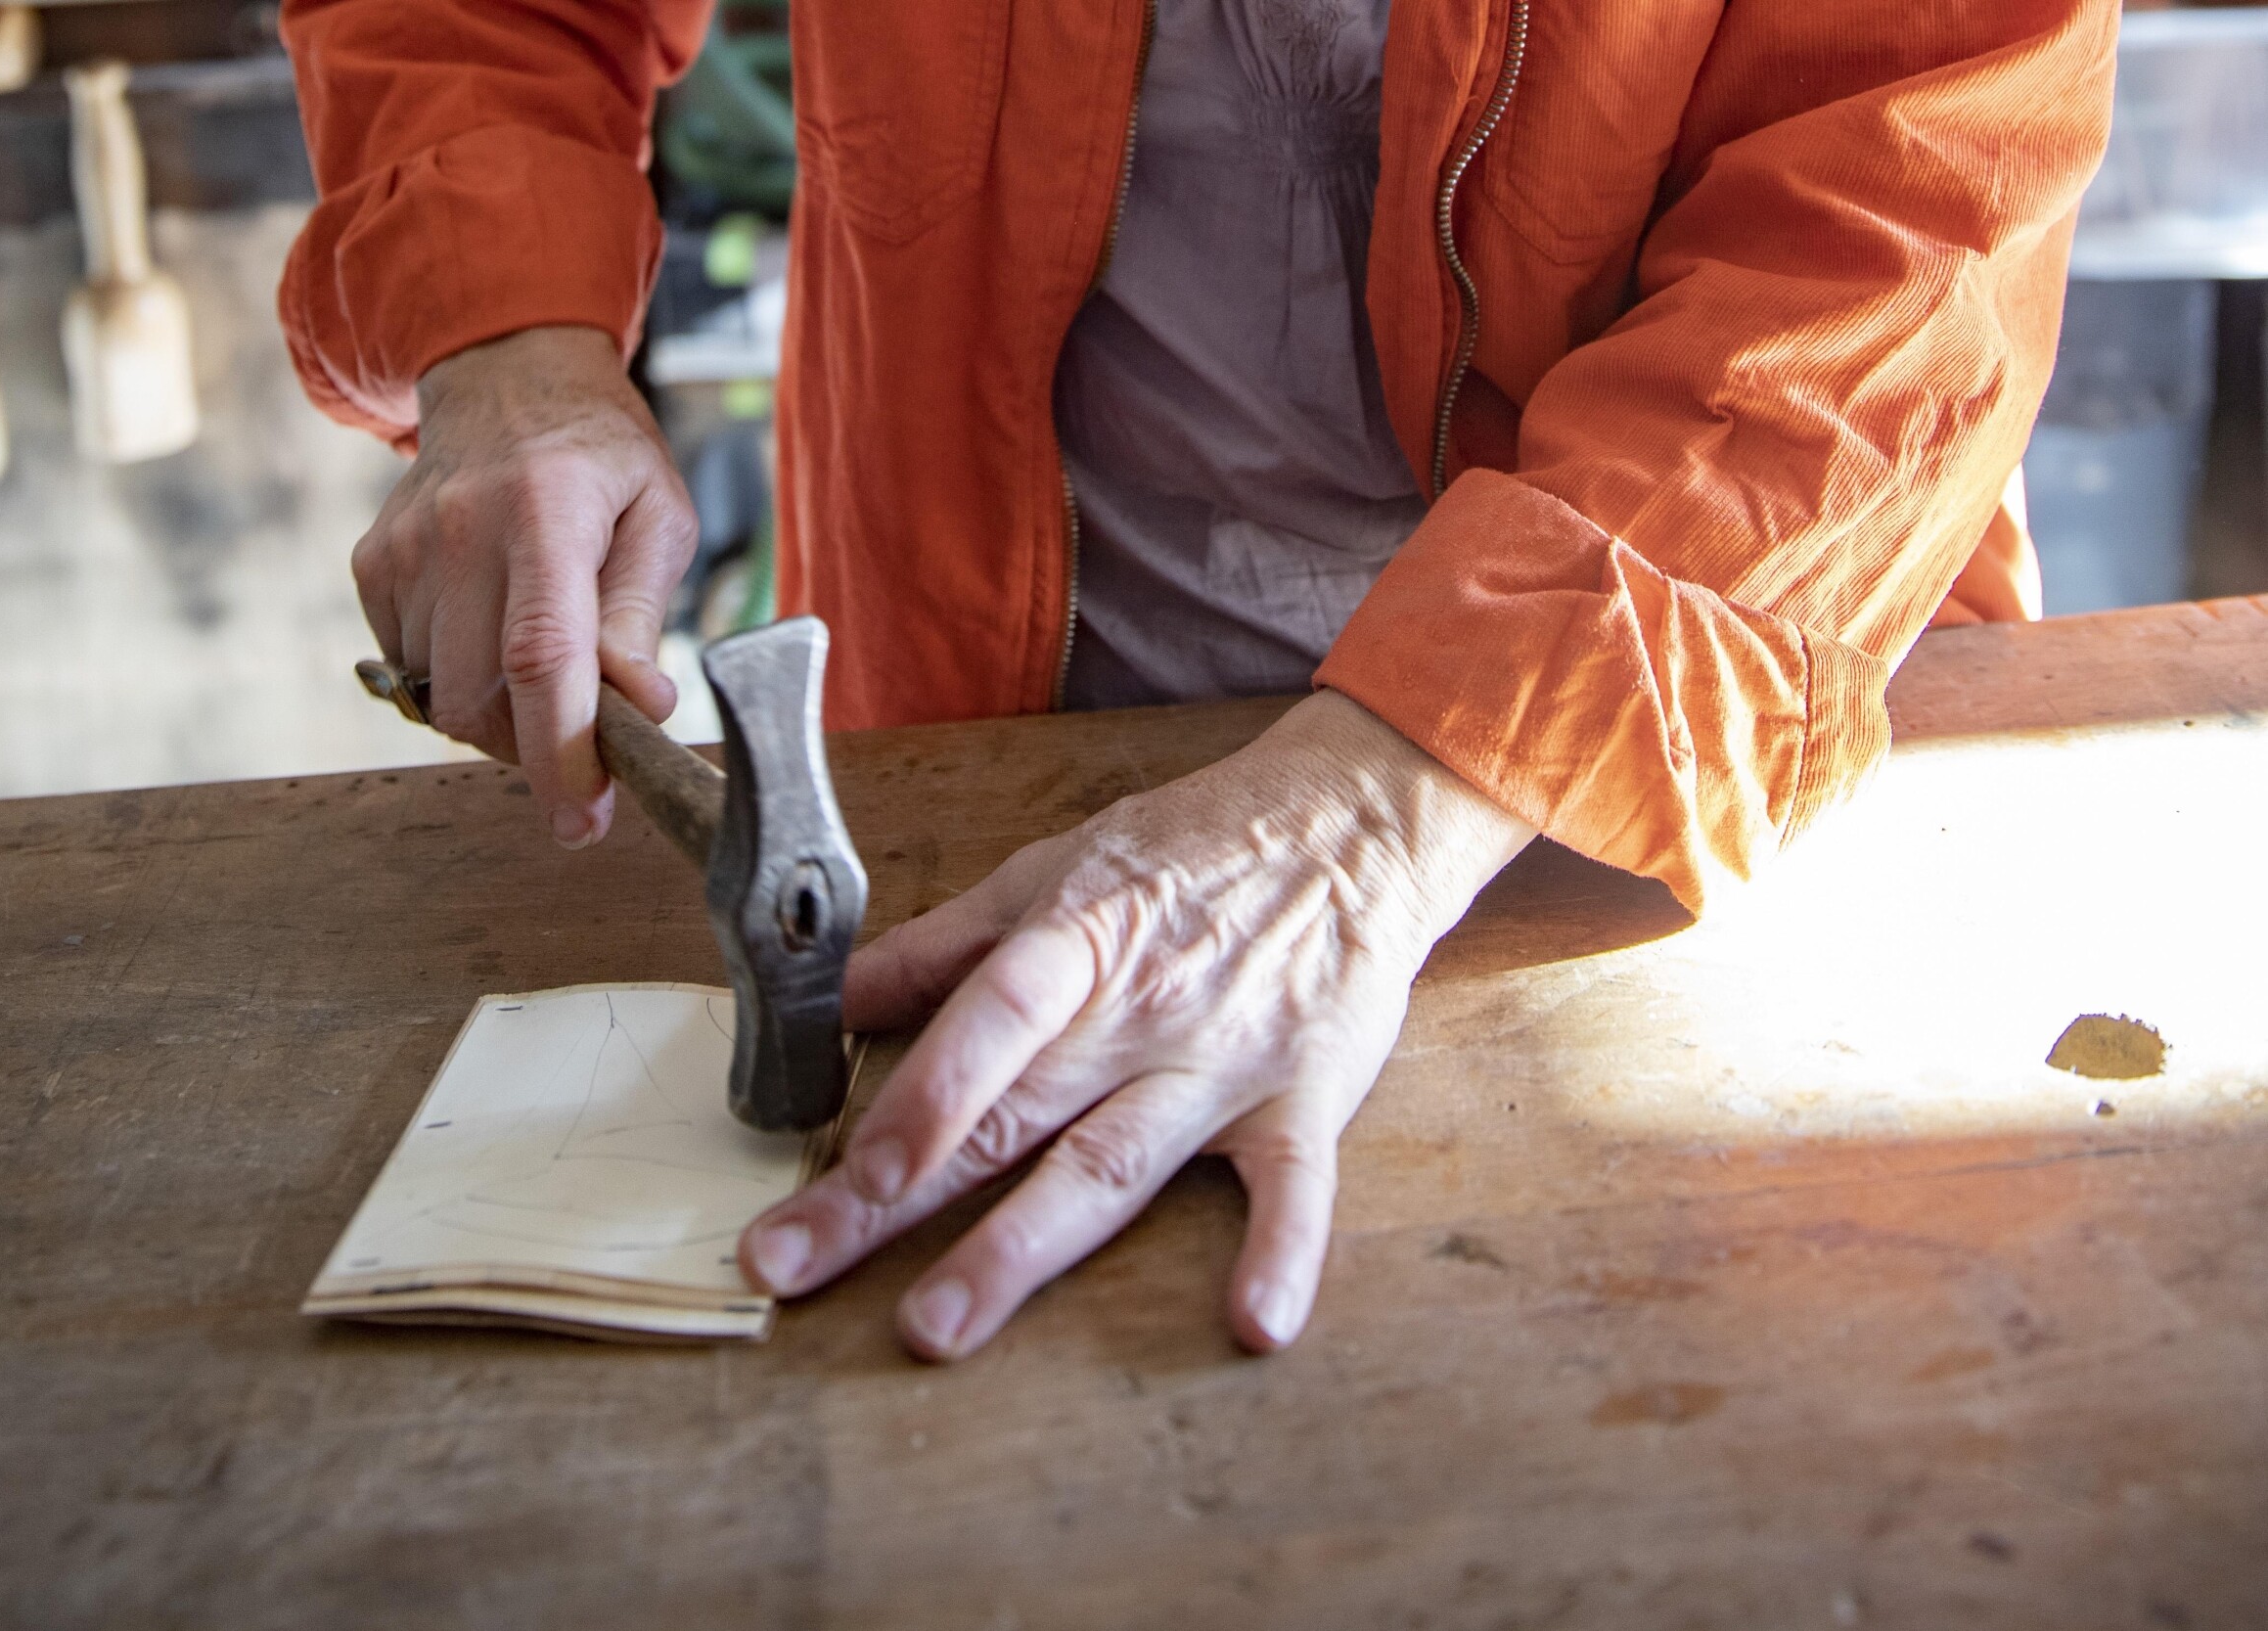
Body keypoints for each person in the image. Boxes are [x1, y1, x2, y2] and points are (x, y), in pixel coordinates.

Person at [279, 0, 2114, 1360]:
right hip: (990, 727)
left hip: (1673, 719)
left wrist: (1376, 812)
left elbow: (1909, 196)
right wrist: (506, 340)